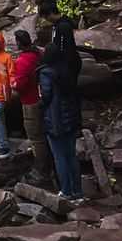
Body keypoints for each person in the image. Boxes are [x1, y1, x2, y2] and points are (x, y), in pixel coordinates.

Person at [38, 42, 83, 202]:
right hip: (70, 119)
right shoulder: (68, 70)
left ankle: (66, 191)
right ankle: (78, 192)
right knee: (71, 155)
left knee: (59, 157)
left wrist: (40, 102)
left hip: (55, 120)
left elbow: (46, 96)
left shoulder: (46, 73)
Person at [12, 29, 52, 180]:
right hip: (45, 99)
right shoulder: (38, 54)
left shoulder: (22, 61)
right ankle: (49, 164)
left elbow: (19, 85)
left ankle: (41, 170)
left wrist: (12, 83)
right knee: (45, 133)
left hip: (30, 102)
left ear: (18, 43)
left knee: (36, 138)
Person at [38, 0, 82, 89]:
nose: (46, 20)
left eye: (46, 17)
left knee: (68, 92)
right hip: (63, 65)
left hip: (68, 66)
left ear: (50, 13)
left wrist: (61, 70)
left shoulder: (63, 26)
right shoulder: (57, 25)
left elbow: (66, 49)